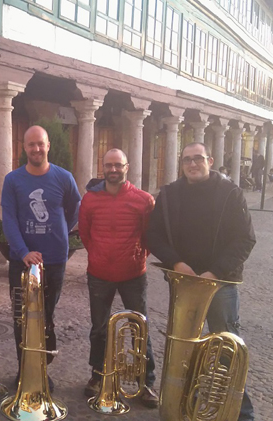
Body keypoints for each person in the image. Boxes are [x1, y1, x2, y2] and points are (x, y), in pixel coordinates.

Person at [146, 142, 256, 421]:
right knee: (184, 347)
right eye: (187, 160)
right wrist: (177, 263)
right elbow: (153, 236)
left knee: (227, 346)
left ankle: (241, 414)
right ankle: (183, 404)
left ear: (210, 160)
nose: (192, 164)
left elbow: (245, 239)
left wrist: (214, 273)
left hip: (221, 284)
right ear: (181, 164)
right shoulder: (169, 194)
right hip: (184, 281)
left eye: (198, 159)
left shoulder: (231, 193)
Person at [1, 125, 81, 390]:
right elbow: (9, 219)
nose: (36, 149)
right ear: (24, 148)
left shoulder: (64, 177)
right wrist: (24, 252)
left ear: (48, 145)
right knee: (21, 317)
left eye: (40, 144)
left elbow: (75, 209)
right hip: (20, 261)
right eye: (31, 144)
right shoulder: (12, 180)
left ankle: (41, 370)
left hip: (55, 259)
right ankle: (25, 370)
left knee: (46, 316)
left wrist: (60, 232)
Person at [78, 149, 158, 407]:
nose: (113, 169)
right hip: (99, 273)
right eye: (109, 165)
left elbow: (148, 237)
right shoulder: (90, 200)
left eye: (118, 165)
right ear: (102, 168)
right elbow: (85, 234)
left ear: (127, 167)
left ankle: (145, 382)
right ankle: (97, 376)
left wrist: (136, 256)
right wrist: (101, 255)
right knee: (99, 329)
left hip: (133, 274)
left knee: (139, 330)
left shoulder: (144, 200)